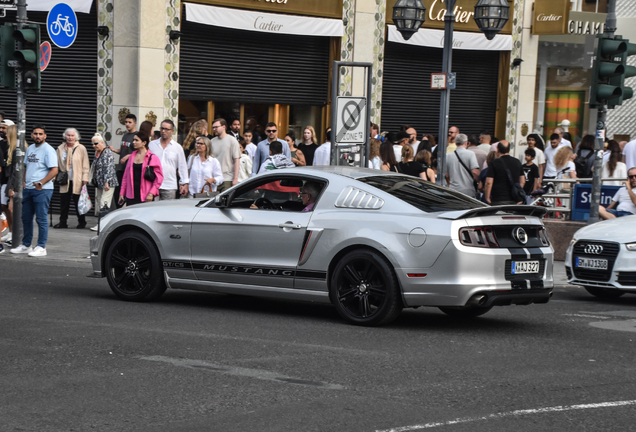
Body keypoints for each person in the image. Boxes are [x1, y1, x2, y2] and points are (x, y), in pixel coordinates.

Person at [11, 124, 58, 257]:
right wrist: (24, 181)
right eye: (35, 133)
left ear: (45, 136)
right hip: (29, 189)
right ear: (32, 135)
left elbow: (55, 169)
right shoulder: (30, 148)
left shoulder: (48, 150)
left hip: (42, 190)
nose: (37, 136)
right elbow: (27, 166)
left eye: (40, 134)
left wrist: (41, 182)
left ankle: (41, 247)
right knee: (25, 218)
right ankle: (26, 245)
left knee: (41, 219)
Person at [55, 128, 90, 229]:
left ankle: (82, 222)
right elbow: (56, 164)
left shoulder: (81, 148)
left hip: (77, 180)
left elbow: (86, 164)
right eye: (68, 135)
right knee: (64, 203)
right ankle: (63, 222)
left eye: (72, 135)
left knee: (79, 202)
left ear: (76, 137)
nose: (70, 137)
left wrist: (85, 177)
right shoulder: (60, 148)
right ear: (65, 136)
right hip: (64, 180)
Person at [119, 132, 163, 206]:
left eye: (136, 140)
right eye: (133, 140)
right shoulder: (132, 156)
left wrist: (151, 193)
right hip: (131, 195)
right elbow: (125, 176)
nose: (133, 142)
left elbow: (159, 178)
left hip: (146, 195)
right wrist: (122, 193)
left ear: (144, 142)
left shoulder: (152, 157)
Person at [149, 119, 189, 199]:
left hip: (169, 185)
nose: (163, 131)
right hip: (152, 184)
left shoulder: (177, 147)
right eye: (162, 128)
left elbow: (182, 167)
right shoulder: (152, 145)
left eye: (166, 129)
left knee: (167, 210)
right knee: (152, 210)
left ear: (172, 131)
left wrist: (184, 183)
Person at [89, 133, 118, 231]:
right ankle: (102, 223)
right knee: (100, 201)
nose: (94, 146)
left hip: (107, 183)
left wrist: (106, 182)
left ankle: (102, 225)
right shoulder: (97, 152)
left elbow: (108, 168)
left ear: (102, 142)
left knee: (104, 203)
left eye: (96, 143)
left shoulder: (107, 152)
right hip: (100, 183)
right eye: (92, 144)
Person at [110, 114, 137, 209]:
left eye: (130, 122)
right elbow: (123, 150)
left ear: (135, 123)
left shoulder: (136, 136)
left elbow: (138, 153)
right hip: (121, 168)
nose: (127, 124)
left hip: (130, 169)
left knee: (127, 193)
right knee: (117, 192)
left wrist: (127, 157)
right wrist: (114, 150)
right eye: (126, 122)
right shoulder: (125, 135)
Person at [210, 118, 241, 190]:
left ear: (224, 127)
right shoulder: (211, 141)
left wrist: (235, 179)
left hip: (227, 178)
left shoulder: (232, 140)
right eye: (213, 127)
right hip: (214, 178)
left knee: (225, 200)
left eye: (216, 127)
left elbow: (237, 160)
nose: (214, 129)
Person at [446, 133, 479, 198]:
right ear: (466, 142)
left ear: (455, 143)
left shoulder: (448, 156)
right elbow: (475, 172)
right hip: (468, 190)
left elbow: (446, 175)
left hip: (453, 190)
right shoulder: (471, 154)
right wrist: (479, 182)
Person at [1, 122, 17, 245]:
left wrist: (13, 186)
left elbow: (15, 170)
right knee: (5, 207)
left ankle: (15, 235)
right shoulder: (5, 145)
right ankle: (11, 233)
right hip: (5, 182)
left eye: (4, 129)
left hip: (11, 182)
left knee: (12, 209)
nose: (2, 131)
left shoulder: (16, 148)